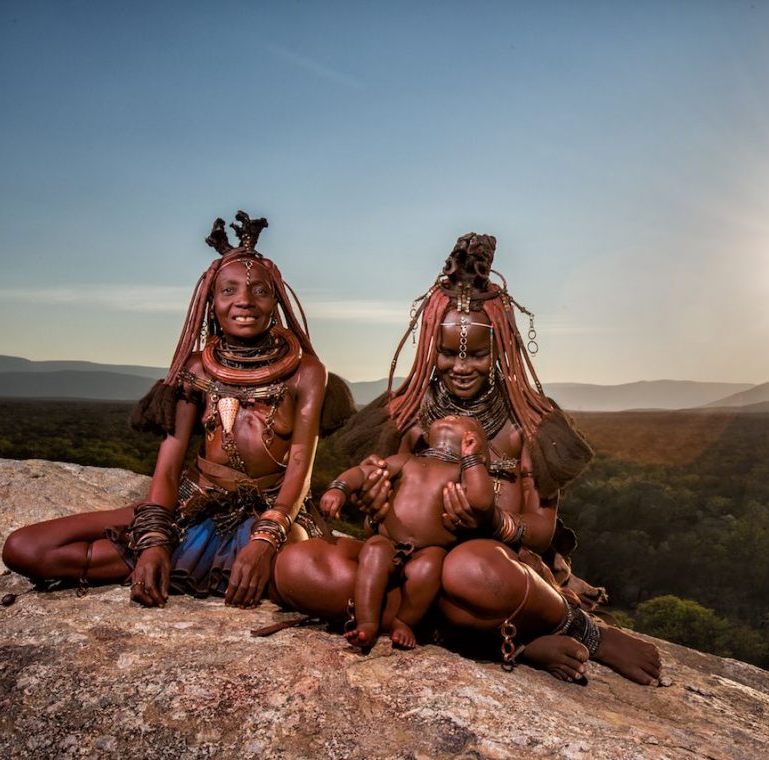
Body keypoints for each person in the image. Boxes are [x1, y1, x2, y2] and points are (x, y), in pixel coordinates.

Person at [275, 233, 661, 686]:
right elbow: (381, 516)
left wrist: (492, 522)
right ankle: (510, 644)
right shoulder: (404, 416)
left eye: (477, 355)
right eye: (447, 353)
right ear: (429, 347)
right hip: (414, 572)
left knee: (467, 570)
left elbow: (541, 531)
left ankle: (584, 632)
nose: (460, 367)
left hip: (490, 575)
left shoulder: (528, 425)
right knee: (298, 567)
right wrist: (373, 506)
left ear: (500, 349)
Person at [2, 211, 351, 608]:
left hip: (272, 511)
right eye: (229, 290)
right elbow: (168, 467)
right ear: (211, 302)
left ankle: (252, 563)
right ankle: (178, 559)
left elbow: (300, 470)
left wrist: (266, 538)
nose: (244, 301)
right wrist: (153, 542)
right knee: (25, 548)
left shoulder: (306, 372)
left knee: (310, 576)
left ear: (276, 300)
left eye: (260, 291)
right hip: (194, 507)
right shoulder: (196, 369)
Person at [321, 414, 494, 649]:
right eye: (446, 416)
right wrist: (339, 488)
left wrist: (472, 460)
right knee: (373, 552)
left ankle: (404, 621)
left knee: (430, 566)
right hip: (387, 540)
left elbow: (482, 501)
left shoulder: (462, 472)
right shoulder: (406, 460)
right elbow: (364, 472)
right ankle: (367, 622)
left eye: (467, 420)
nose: (452, 416)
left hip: (430, 549)